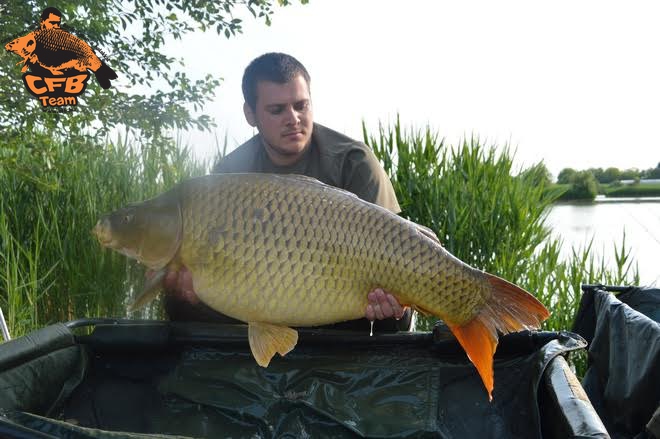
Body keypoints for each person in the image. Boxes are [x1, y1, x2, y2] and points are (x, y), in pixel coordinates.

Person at [163, 52, 412, 331]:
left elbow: (399, 253)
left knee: (395, 313)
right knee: (177, 299)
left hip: (345, 316)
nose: (293, 118)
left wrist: (394, 306)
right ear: (250, 114)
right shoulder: (230, 174)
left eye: (301, 105)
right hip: (261, 307)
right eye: (277, 110)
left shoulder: (354, 162)